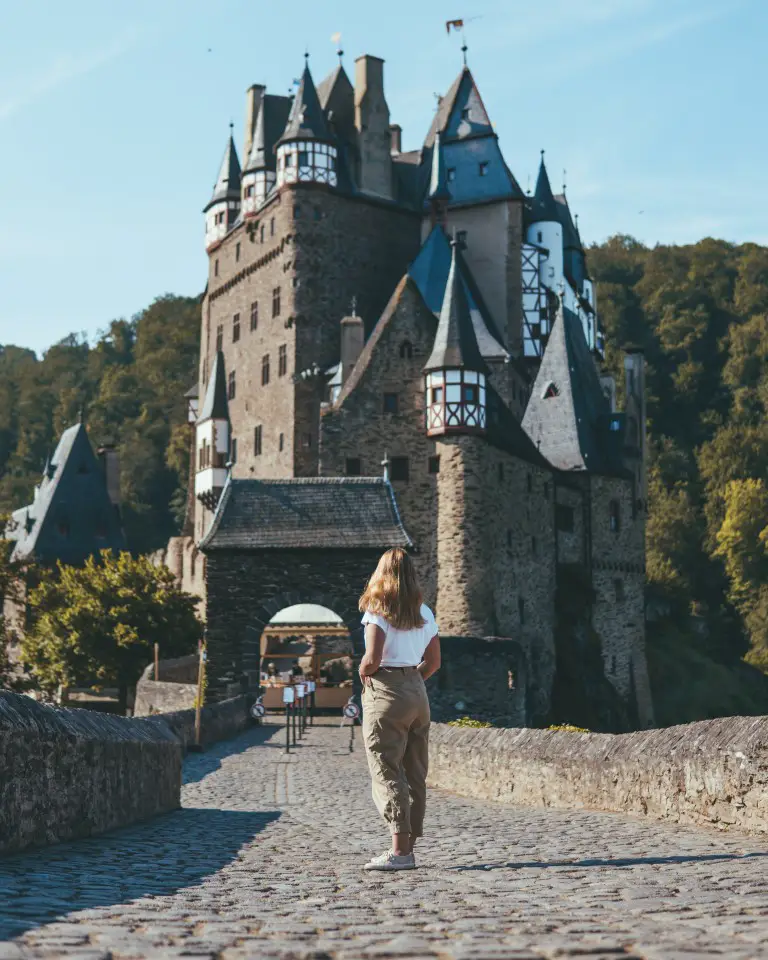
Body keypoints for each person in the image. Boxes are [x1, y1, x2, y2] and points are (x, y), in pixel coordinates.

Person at [357, 547, 441, 871]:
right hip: (417, 692)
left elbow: (372, 658)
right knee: (415, 771)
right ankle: (408, 845)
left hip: (386, 690)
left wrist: (363, 672)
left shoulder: (377, 611)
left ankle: (399, 853)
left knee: (387, 768)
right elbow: (434, 662)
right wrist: (411, 680)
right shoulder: (425, 612)